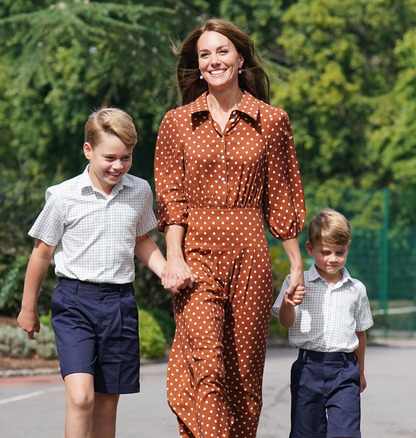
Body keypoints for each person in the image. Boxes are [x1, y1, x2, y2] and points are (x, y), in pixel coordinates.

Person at [154, 18, 307, 438]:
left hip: (250, 257)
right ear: (197, 64)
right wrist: (173, 260)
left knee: (243, 376)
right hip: (196, 258)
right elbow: (171, 202)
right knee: (208, 368)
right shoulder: (177, 122)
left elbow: (281, 196)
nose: (214, 60)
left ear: (240, 58)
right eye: (205, 54)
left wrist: (296, 266)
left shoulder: (272, 121)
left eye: (222, 51)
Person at [16, 107, 167, 438]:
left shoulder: (140, 191)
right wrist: (29, 308)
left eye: (125, 158)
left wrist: (165, 270)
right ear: (88, 150)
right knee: (82, 397)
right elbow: (41, 254)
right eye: (109, 157)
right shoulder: (63, 196)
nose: (117, 166)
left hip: (119, 304)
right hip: (75, 303)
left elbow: (142, 241)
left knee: (107, 404)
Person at [271, 208, 373, 438]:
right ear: (310, 248)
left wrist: (361, 373)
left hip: (345, 371)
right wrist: (288, 302)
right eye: (325, 252)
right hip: (308, 368)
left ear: (348, 248)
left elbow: (361, 334)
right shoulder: (296, 281)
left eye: (340, 252)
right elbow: (286, 323)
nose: (333, 259)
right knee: (306, 433)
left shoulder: (356, 289)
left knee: (346, 433)